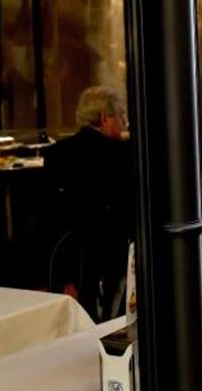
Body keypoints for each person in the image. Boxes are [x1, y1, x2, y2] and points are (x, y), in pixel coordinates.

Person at [44, 85, 134, 322]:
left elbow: (51, 212)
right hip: (109, 253)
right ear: (105, 118)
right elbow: (129, 211)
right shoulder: (122, 154)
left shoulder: (55, 153)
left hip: (64, 254)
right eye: (121, 115)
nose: (124, 122)